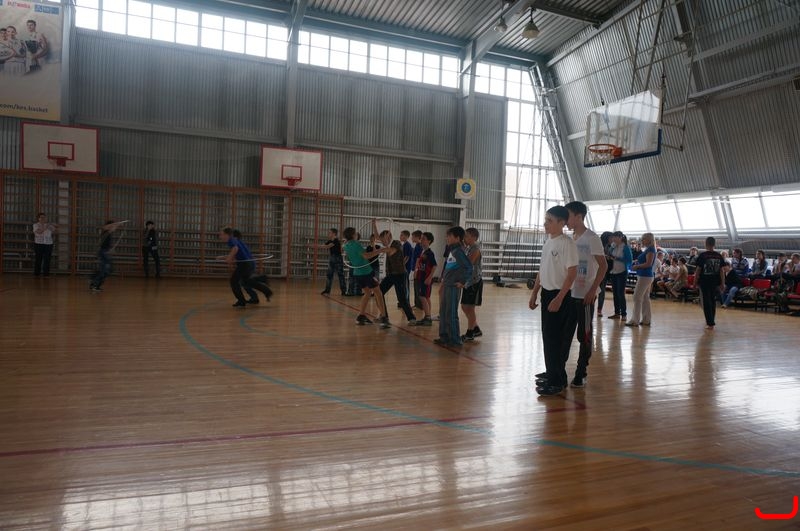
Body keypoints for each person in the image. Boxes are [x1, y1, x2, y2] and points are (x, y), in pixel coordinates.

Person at [529, 206, 578, 396]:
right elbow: (542, 271)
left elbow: (572, 274)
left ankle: (556, 381)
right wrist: (535, 293)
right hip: (547, 294)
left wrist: (559, 298)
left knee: (555, 339)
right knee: (548, 337)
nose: (545, 224)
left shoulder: (567, 244)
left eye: (549, 220)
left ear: (561, 223)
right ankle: (554, 374)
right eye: (545, 220)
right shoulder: (548, 242)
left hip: (560, 295)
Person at [565, 202, 607, 388]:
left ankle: (581, 372)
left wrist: (592, 290)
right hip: (569, 293)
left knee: (585, 334)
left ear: (579, 216)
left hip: (585, 295)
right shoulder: (570, 239)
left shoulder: (592, 238)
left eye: (568, 216)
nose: (565, 220)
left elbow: (603, 266)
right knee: (565, 333)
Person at [342, 226, 390, 327]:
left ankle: (361, 316)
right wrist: (380, 251)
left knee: (367, 292)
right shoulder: (356, 244)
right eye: (355, 233)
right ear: (353, 235)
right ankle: (384, 317)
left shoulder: (345, 245)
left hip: (357, 273)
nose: (357, 234)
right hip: (366, 272)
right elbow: (366, 256)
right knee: (378, 293)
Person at [436, 226, 472, 347]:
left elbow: (468, 267)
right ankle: (444, 336)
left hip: (453, 287)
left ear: (457, 238)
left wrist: (462, 281)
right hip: (447, 285)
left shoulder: (459, 252)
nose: (447, 238)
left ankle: (455, 340)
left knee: (451, 313)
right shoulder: (452, 251)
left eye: (449, 236)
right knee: (443, 312)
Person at [218, 227, 273, 308]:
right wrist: (225, 257)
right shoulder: (236, 240)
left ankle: (241, 301)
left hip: (244, 264)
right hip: (248, 263)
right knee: (246, 282)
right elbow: (238, 253)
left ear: (227, 235)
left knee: (234, 281)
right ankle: (267, 291)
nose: (220, 236)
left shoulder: (231, 240)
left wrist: (229, 258)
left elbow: (235, 249)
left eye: (221, 234)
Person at [377, 227, 417, 324]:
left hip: (400, 274)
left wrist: (377, 251)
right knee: (379, 292)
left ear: (388, 237)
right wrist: (374, 224)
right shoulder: (387, 246)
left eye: (383, 240)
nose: (382, 242)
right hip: (390, 275)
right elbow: (378, 237)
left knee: (401, 298)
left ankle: (411, 318)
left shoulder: (396, 243)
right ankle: (384, 316)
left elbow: (392, 250)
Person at [626, 232, 656, 327]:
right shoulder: (648, 249)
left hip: (645, 276)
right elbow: (646, 261)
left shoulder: (650, 249)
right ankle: (646, 319)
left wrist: (637, 266)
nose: (642, 241)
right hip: (645, 276)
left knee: (637, 297)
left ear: (649, 240)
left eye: (644, 239)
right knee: (645, 298)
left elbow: (648, 264)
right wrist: (637, 261)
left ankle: (635, 320)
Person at [694, 236, 724, 330]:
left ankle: (710, 323)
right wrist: (723, 283)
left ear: (706, 244)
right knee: (712, 301)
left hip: (705, 282)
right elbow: (721, 271)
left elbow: (698, 271)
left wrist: (694, 282)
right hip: (715, 282)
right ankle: (711, 321)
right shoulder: (719, 256)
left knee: (706, 302)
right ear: (714, 244)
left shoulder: (703, 256)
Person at [460, 228, 484, 341]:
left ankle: (470, 333)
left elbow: (468, 264)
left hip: (474, 281)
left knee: (469, 307)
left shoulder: (476, 249)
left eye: (467, 236)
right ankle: (475, 329)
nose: (465, 238)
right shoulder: (469, 248)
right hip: (468, 281)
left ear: (474, 237)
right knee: (465, 306)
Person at [89, 220, 124, 292]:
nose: (115, 228)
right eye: (113, 226)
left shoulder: (108, 233)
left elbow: (106, 245)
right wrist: (116, 224)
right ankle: (94, 284)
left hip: (105, 253)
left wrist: (110, 250)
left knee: (108, 270)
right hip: (103, 253)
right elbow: (105, 227)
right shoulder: (106, 232)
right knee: (105, 270)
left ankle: (95, 283)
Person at [410, 232, 436, 326]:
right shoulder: (423, 252)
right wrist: (416, 272)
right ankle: (427, 316)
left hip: (425, 279)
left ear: (429, 241)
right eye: (421, 239)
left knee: (422, 297)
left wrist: (429, 278)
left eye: (424, 239)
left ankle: (428, 317)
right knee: (426, 297)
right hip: (421, 278)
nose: (421, 241)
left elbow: (434, 266)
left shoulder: (429, 253)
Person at [608, 232, 632, 320]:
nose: (613, 239)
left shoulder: (625, 247)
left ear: (620, 237)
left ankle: (624, 314)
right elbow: (609, 253)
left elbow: (629, 260)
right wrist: (611, 249)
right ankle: (617, 313)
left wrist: (617, 258)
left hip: (622, 272)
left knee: (620, 294)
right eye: (613, 237)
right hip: (614, 272)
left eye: (615, 237)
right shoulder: (614, 246)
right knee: (615, 294)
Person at [320, 228, 346, 296]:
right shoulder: (330, 241)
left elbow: (328, 246)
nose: (328, 234)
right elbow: (324, 245)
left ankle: (343, 290)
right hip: (332, 258)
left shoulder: (336, 241)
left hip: (338, 258)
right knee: (329, 275)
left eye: (330, 233)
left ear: (334, 234)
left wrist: (317, 246)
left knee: (340, 275)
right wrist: (320, 246)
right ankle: (327, 290)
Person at [596, 231, 614, 317]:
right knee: (596, 290)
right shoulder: (599, 246)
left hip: (606, 272)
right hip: (597, 271)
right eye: (611, 238)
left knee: (602, 291)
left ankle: (599, 309)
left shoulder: (610, 247)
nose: (612, 239)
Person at [410, 230, 424, 309]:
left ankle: (419, 305)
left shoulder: (419, 246)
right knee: (416, 287)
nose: (411, 238)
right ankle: (417, 304)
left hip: (417, 270)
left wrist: (416, 270)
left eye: (413, 237)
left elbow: (418, 259)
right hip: (415, 269)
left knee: (417, 287)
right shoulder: (417, 245)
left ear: (417, 237)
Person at [400, 230, 413, 307]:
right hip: (404, 268)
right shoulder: (404, 245)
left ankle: (406, 302)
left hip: (406, 268)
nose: (400, 236)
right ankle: (403, 301)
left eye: (402, 235)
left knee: (405, 285)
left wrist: (401, 265)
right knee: (403, 285)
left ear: (406, 236)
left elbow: (407, 257)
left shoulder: (407, 245)